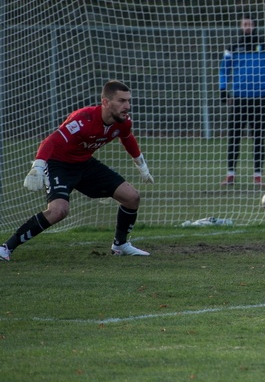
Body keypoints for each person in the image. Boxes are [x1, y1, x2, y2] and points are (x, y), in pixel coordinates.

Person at [0, 80, 155, 262]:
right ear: (105, 102)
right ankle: (6, 248)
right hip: (58, 164)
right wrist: (38, 166)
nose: (127, 106)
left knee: (132, 197)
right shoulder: (84, 119)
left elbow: (128, 138)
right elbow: (51, 141)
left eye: (128, 101)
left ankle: (120, 245)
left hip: (84, 163)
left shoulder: (123, 122)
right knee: (59, 211)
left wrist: (142, 166)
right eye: (121, 101)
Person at [219, 13, 265, 187]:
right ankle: (231, 174)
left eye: (250, 24)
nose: (247, 27)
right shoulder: (233, 47)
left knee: (259, 138)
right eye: (244, 24)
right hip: (239, 99)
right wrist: (224, 91)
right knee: (234, 137)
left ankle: (257, 176)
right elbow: (224, 71)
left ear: (255, 25)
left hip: (259, 99)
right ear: (241, 26)